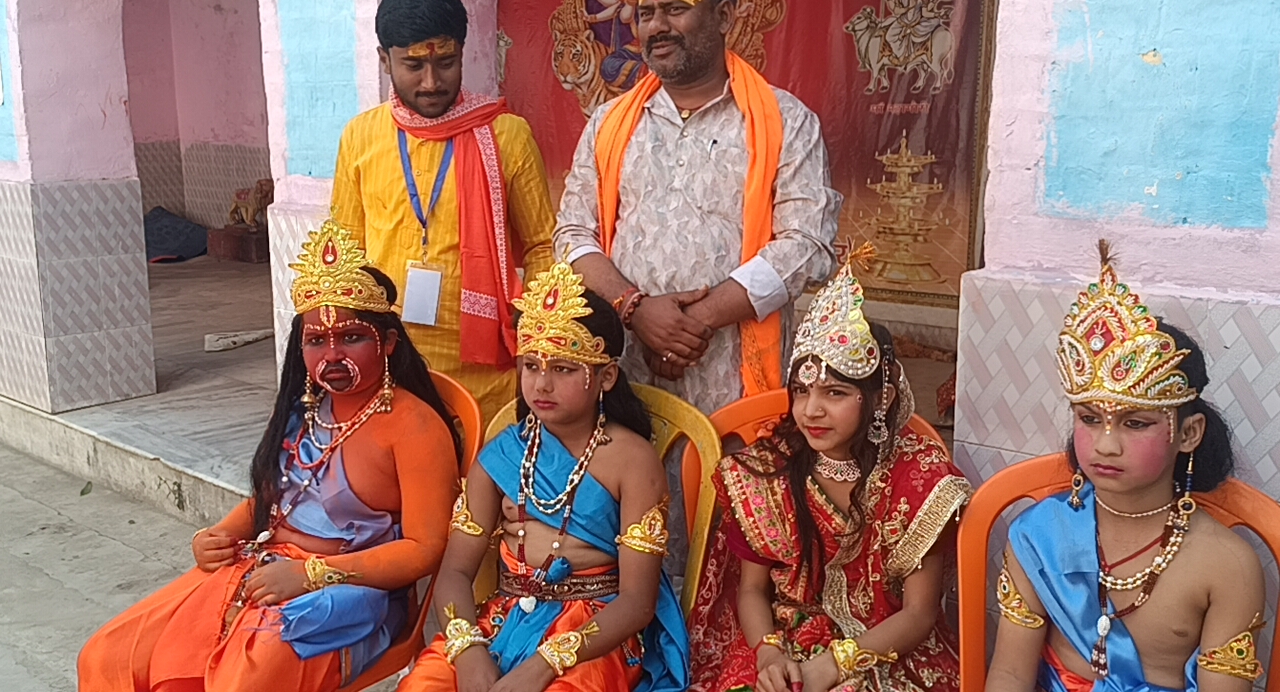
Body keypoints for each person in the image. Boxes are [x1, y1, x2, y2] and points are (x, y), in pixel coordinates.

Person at [78, 220, 461, 691]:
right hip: (261, 567)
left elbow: (424, 549)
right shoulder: (306, 410)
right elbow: (270, 501)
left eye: (351, 337)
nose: (332, 355)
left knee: (238, 681)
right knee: (108, 655)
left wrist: (311, 575)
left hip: (346, 594)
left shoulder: (416, 427)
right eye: (316, 341)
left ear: (387, 342)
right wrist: (217, 535)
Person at [554, 0, 841, 417]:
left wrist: (693, 322)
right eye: (646, 13)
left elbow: (807, 244)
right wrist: (635, 309)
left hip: (732, 378)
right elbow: (572, 234)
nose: (656, 26)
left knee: (730, 463)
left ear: (723, 16)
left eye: (675, 9)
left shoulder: (786, 121)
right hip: (622, 370)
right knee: (627, 464)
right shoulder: (609, 123)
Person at [986, 241, 1268, 692]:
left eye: (1135, 423)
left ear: (1189, 433)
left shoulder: (1227, 565)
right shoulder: (1038, 534)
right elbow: (1009, 674)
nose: (1106, 444)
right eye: (1089, 419)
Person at [396, 261, 689, 692]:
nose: (541, 385)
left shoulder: (633, 461)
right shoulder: (502, 454)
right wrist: (468, 649)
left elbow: (637, 603)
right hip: (503, 620)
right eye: (531, 366)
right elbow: (454, 573)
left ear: (606, 376)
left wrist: (544, 665)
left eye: (563, 369)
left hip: (593, 635)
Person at [687, 256, 970, 692]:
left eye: (835, 393)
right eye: (801, 391)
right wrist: (768, 652)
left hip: (887, 647)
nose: (811, 410)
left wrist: (834, 667)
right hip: (782, 639)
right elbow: (751, 591)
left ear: (880, 399)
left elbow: (918, 614)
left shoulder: (919, 478)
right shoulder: (765, 475)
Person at [332, 0, 557, 423]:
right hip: (390, 360)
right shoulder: (360, 137)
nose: (432, 82)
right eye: (414, 65)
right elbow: (346, 251)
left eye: (446, 63)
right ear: (384, 60)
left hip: (487, 369)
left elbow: (543, 246)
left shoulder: (507, 136)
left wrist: (536, 338)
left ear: (462, 53)